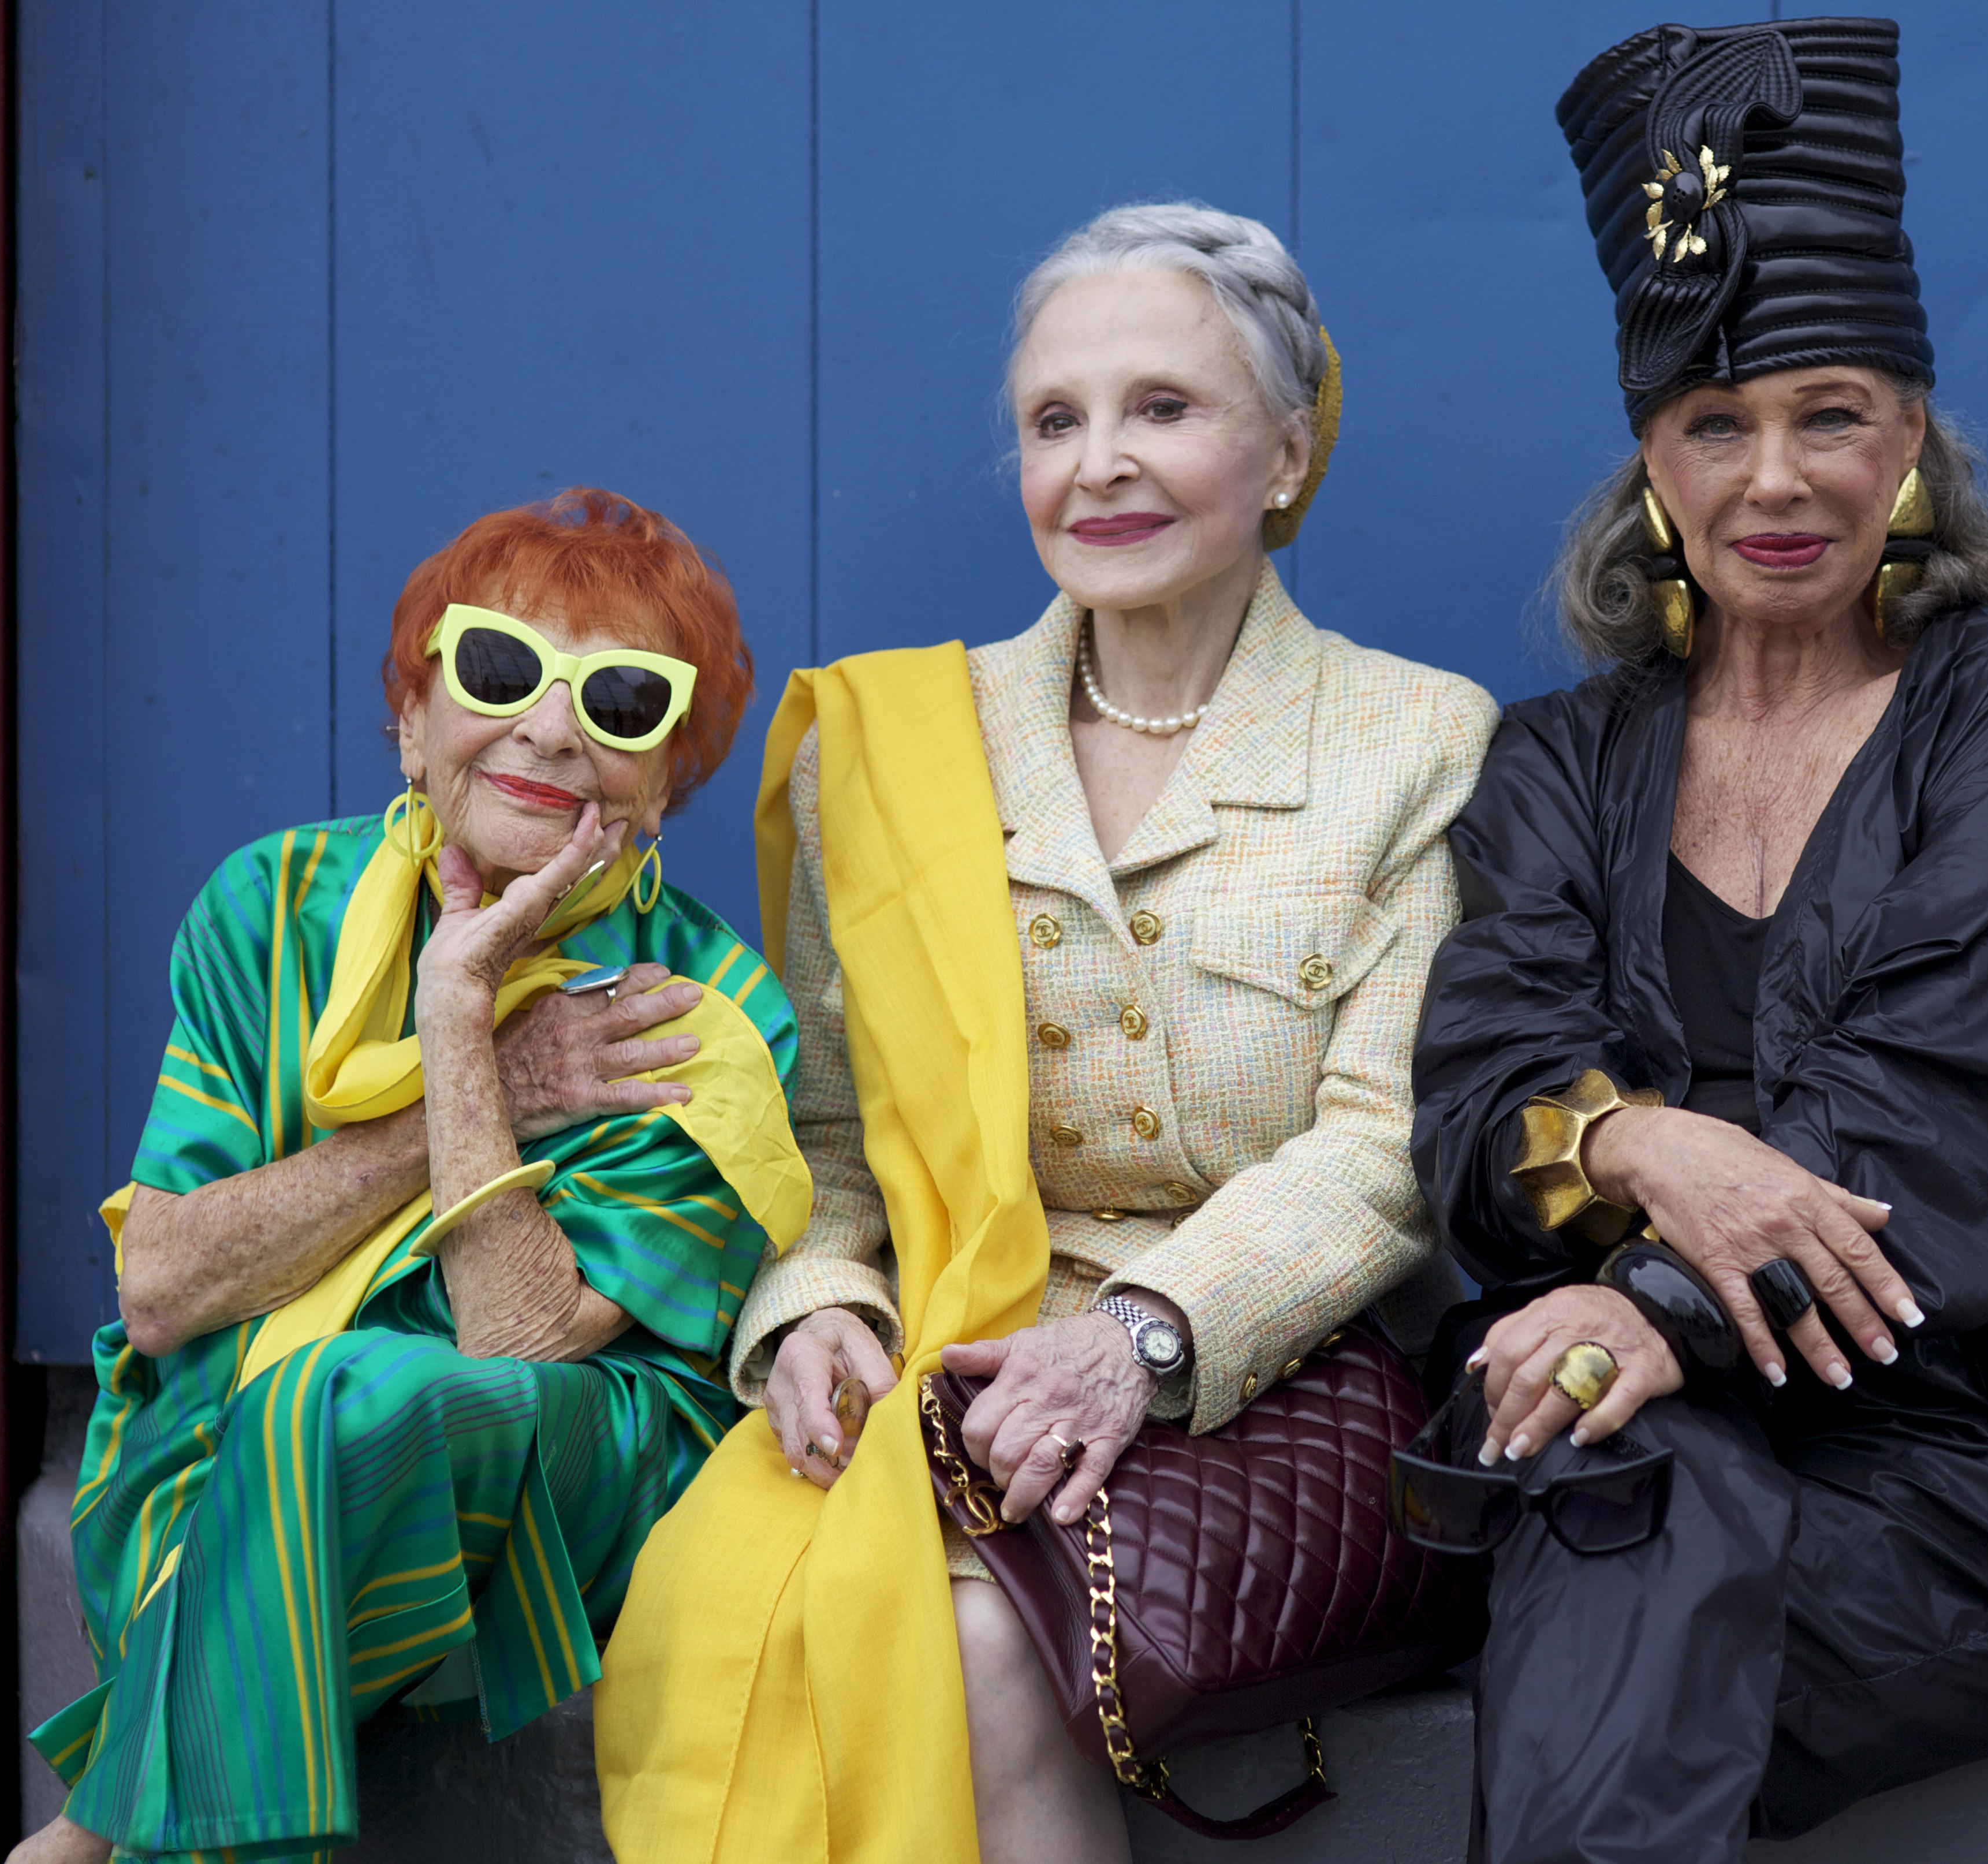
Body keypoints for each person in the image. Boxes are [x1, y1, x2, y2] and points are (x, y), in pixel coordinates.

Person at [596, 202, 1497, 1863]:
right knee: (726, 1613)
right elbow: (828, 1135)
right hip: (943, 1364)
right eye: (1054, 421)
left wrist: (1138, 1342)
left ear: (1288, 452)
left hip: (1275, 1379)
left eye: (1164, 407)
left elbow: (1388, 1149)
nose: (1101, 465)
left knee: (971, 1646)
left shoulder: (1414, 739)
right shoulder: (889, 739)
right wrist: (815, 1307)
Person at [1409, 18, 1988, 1863]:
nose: (1775, 479)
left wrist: (1653, 1302)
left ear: (1911, 442)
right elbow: (1478, 1097)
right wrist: (1642, 1143)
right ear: (1651, 464)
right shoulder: (1555, 759)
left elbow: (1953, 1102)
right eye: (1714, 425)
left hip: (1969, 1449)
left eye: (1831, 415)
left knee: (1613, 1543)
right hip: (1624, 1406)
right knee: (1626, 1501)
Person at [13, 488, 810, 1864]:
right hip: (230, 1417)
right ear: (412, 720)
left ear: (668, 780)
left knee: (349, 1396)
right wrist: (482, 1059)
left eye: (621, 699)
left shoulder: (704, 1014)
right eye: (499, 669)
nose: (550, 730)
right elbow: (160, 1290)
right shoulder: (271, 909)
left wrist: (453, 1028)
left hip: (552, 1472)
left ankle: (89, 1842)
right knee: (302, 1417)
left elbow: (518, 1339)